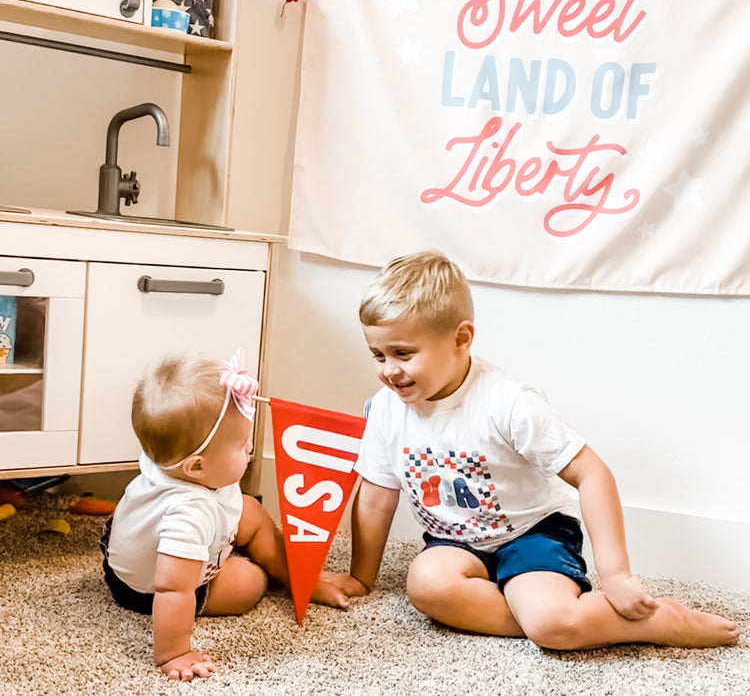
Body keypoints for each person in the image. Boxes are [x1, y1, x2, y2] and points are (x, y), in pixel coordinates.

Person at [328, 251, 738, 650]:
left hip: (532, 534)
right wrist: (361, 577)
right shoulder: (385, 408)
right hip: (455, 544)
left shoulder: (507, 402)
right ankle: (540, 612)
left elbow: (592, 473)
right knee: (426, 586)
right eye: (378, 355)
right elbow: (377, 494)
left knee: (552, 628)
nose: (388, 370)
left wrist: (615, 575)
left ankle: (657, 621)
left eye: (403, 353)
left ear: (461, 338)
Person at [100, 348, 347, 682]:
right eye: (241, 444)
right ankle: (256, 570)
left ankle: (297, 578)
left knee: (252, 511)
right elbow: (172, 589)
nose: (249, 449)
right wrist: (175, 652)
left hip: (135, 535)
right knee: (250, 581)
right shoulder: (188, 512)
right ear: (197, 467)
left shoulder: (186, 467)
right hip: (144, 587)